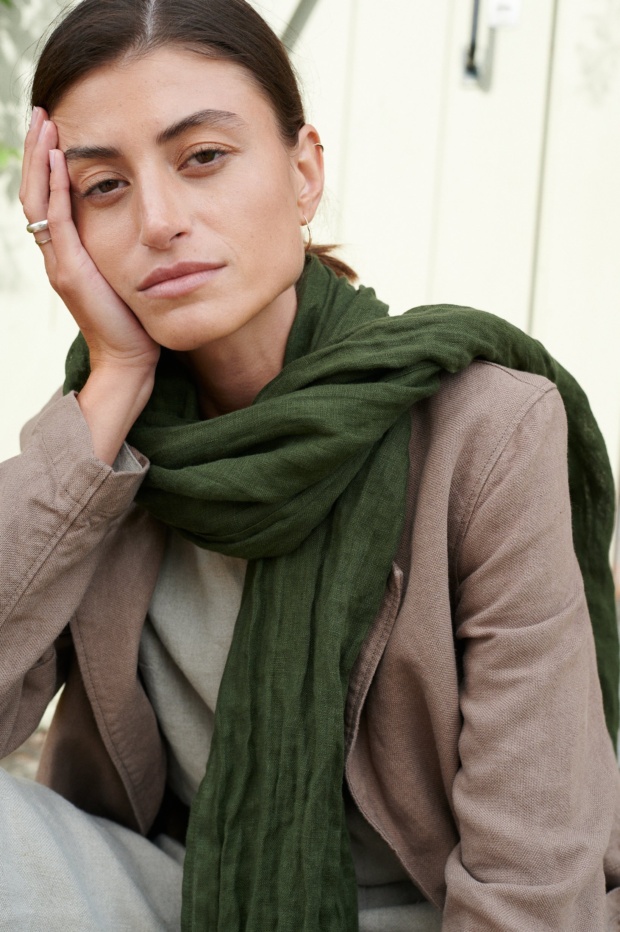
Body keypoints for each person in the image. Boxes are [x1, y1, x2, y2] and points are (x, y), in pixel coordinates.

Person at [2, 0, 620, 929]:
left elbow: (534, 879)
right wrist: (119, 375)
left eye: (202, 157)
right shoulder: (101, 436)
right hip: (178, 894)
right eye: (102, 187)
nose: (159, 221)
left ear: (303, 172)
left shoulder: (484, 431)